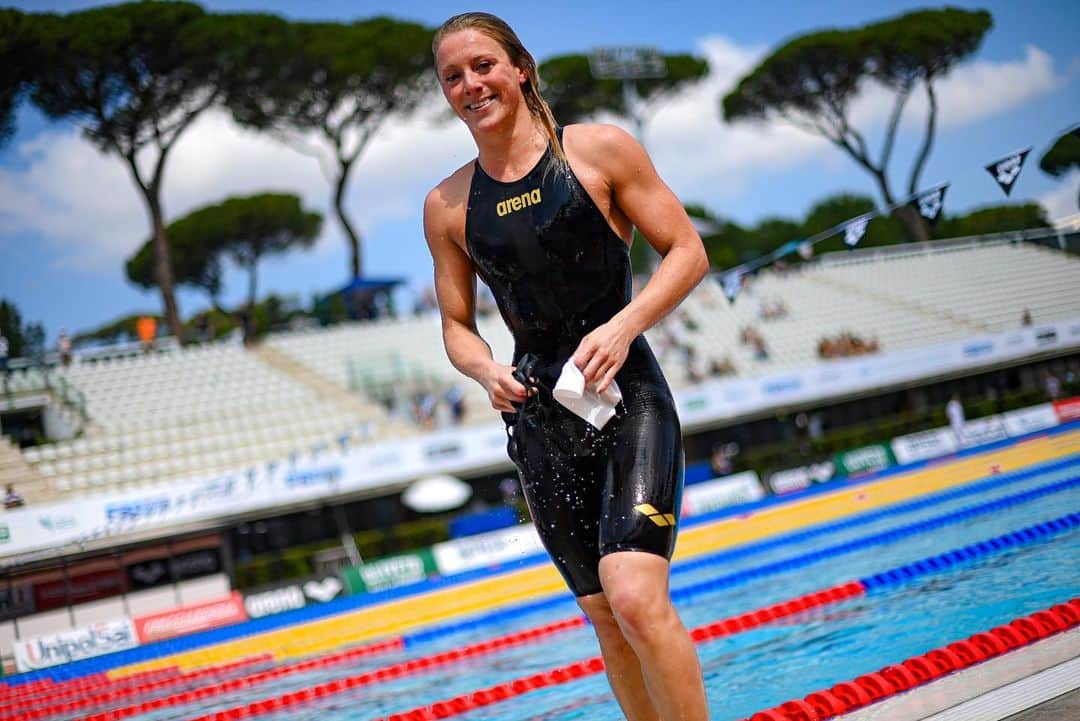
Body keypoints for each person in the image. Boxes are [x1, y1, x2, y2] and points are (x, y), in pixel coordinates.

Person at [424, 13, 711, 720]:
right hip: (541, 420)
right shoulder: (447, 205)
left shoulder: (599, 150)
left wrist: (625, 324)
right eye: (453, 75)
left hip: (628, 394)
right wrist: (484, 369)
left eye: (483, 65)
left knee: (636, 595)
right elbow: (457, 328)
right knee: (606, 617)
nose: (471, 84)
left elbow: (687, 251)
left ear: (520, 67)